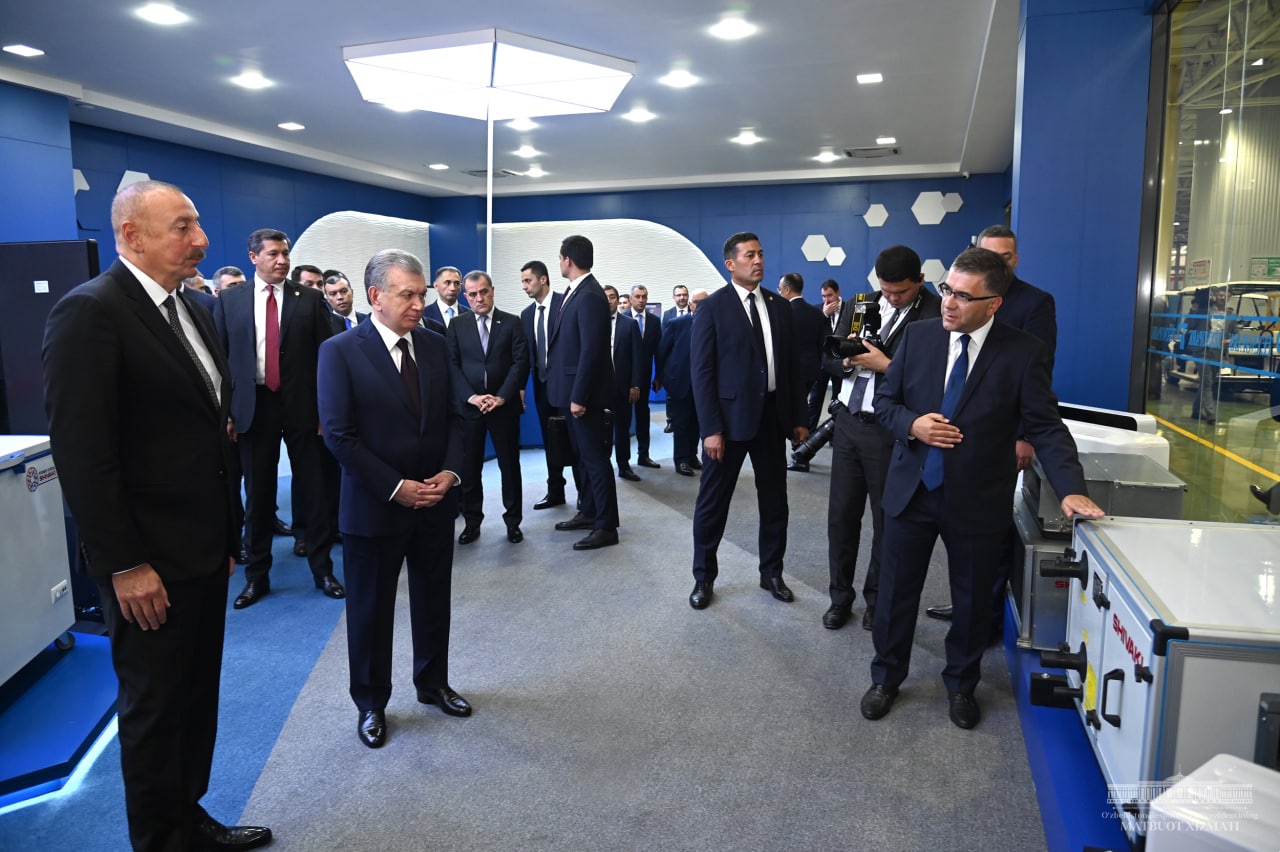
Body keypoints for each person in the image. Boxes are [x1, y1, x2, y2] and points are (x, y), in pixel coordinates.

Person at [42, 180, 271, 851]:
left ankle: (188, 817)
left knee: (195, 698)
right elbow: (85, 457)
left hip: (202, 549)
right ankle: (160, 839)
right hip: (145, 564)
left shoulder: (194, 308)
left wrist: (227, 534)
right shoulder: (90, 313)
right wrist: (124, 564)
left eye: (197, 224)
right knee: (154, 708)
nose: (201, 239)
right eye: (183, 227)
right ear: (132, 235)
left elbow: (206, 433)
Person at [861, 247, 1103, 729]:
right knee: (894, 594)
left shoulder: (1022, 352)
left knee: (971, 601)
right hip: (912, 491)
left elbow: (1046, 426)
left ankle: (961, 685)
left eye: (963, 296)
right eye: (947, 290)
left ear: (993, 304)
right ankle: (886, 677)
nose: (948, 303)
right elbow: (885, 402)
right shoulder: (919, 337)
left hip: (977, 497)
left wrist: (1070, 488)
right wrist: (913, 425)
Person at [317, 248, 470, 749]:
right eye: (408, 295)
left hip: (434, 502)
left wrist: (449, 472)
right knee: (370, 611)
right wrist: (394, 486)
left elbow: (455, 417)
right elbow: (340, 436)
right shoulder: (339, 351)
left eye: (422, 294)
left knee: (433, 601)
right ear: (375, 296)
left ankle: (433, 683)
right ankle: (371, 703)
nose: (419, 304)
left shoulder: (434, 344)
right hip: (373, 506)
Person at [925, 224, 1058, 623]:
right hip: (947, 441)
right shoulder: (952, 302)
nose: (1000, 262)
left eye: (1006, 256)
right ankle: (968, 605)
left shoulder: (1034, 304)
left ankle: (985, 613)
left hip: (999, 439)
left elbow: (1037, 379)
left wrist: (1023, 437)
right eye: (991, 255)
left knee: (990, 532)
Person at [214, 228, 344, 609]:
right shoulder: (230, 300)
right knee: (258, 496)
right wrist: (227, 413)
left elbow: (326, 359)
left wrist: (325, 411)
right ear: (253, 257)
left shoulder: (310, 299)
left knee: (314, 491)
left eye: (285, 253)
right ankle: (257, 577)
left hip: (303, 407)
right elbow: (221, 361)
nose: (282, 260)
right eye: (273, 254)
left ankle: (322, 570)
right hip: (254, 408)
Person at [823, 245, 941, 631]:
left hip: (890, 432)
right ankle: (839, 597)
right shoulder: (859, 304)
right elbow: (827, 359)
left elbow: (933, 382)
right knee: (841, 518)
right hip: (847, 424)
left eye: (900, 292)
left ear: (919, 281)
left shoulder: (935, 314)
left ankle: (877, 600)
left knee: (886, 521)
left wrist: (886, 366)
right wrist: (846, 360)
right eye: (885, 290)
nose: (891, 298)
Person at [688, 232, 808, 609]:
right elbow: (702, 374)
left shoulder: (779, 306)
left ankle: (771, 572)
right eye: (749, 255)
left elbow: (791, 368)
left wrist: (798, 418)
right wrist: (711, 429)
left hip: (772, 418)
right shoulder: (712, 308)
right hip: (727, 424)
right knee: (713, 503)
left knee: (775, 501)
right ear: (730, 264)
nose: (758, 261)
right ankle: (704, 577)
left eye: (761, 254)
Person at [546, 234, 620, 550]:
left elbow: (592, 351)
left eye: (560, 257)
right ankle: (589, 511)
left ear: (568, 260)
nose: (559, 262)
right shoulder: (575, 291)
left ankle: (606, 526)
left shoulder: (589, 294)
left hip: (583, 396)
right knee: (583, 459)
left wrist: (579, 396)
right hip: (571, 392)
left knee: (595, 461)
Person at [448, 270, 529, 544]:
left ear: (492, 291)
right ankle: (472, 522)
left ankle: (513, 522)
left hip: (503, 408)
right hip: (471, 409)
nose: (479, 298)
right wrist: (471, 397)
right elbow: (452, 365)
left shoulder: (512, 322)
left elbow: (520, 363)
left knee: (510, 467)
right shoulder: (457, 325)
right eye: (472, 294)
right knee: (470, 469)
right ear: (465, 296)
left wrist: (502, 396)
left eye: (483, 292)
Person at [519, 260, 568, 510]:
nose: (524, 286)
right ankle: (555, 491)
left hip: (567, 389)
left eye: (528, 281)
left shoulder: (565, 304)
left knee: (574, 441)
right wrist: (521, 387)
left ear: (543, 279)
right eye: (523, 282)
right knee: (551, 442)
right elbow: (525, 355)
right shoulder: (527, 314)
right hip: (541, 387)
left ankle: (586, 496)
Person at [658, 289, 707, 475]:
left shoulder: (713, 323)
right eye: (697, 302)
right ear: (691, 304)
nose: (701, 306)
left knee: (696, 424)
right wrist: (663, 378)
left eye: (704, 302)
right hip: (680, 384)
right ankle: (681, 460)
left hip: (702, 385)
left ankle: (692, 456)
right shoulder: (677, 323)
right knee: (681, 424)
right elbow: (662, 352)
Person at [779, 272, 829, 438]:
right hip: (811, 370)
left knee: (788, 408)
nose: (779, 293)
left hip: (789, 373)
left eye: (780, 289)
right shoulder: (816, 312)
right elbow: (821, 344)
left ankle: (794, 439)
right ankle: (802, 442)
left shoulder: (783, 313)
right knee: (803, 405)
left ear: (787, 289)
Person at [605, 284, 646, 481]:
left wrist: (635, 384)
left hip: (623, 387)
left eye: (612, 297)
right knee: (601, 431)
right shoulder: (591, 323)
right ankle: (603, 467)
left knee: (622, 429)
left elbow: (638, 357)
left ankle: (624, 465)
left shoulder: (629, 324)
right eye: (605, 297)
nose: (609, 301)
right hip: (599, 389)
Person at [627, 284, 663, 468]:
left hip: (645, 378)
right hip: (624, 379)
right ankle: (623, 462)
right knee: (624, 420)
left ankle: (644, 455)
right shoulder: (622, 319)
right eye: (638, 296)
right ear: (631, 299)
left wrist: (659, 376)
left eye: (644, 297)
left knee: (643, 417)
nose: (641, 300)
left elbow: (659, 351)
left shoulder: (655, 321)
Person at [808, 278, 844, 429]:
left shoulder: (849, 309)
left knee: (838, 400)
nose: (826, 300)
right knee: (814, 400)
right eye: (823, 296)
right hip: (821, 363)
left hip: (840, 362)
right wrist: (824, 315)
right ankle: (809, 434)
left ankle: (836, 434)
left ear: (838, 293)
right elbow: (810, 334)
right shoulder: (817, 310)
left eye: (829, 295)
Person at [422, 265, 468, 331]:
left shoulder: (470, 314)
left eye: (457, 283)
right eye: (447, 283)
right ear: (436, 286)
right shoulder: (424, 314)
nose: (452, 288)